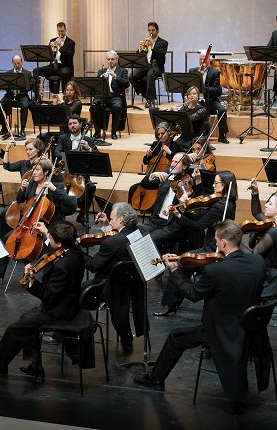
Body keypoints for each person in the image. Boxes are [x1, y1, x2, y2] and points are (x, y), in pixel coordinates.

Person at [135, 220, 265, 403]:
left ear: (223, 243)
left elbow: (193, 294)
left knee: (175, 337)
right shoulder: (258, 262)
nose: (216, 244)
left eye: (217, 240)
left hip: (221, 330)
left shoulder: (215, 271)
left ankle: (155, 379)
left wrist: (175, 270)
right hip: (251, 327)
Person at [0, 220, 84, 377]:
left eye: (51, 239)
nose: (49, 240)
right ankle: (35, 365)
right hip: (67, 304)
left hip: (59, 311)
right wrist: (47, 232)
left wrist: (32, 281)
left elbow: (49, 296)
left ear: (59, 243)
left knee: (15, 329)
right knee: (26, 319)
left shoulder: (64, 265)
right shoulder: (75, 251)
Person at [153, 170, 238, 317]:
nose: (213, 184)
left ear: (224, 185)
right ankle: (173, 302)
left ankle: (169, 304)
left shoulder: (220, 207)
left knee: (179, 264)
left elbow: (199, 225)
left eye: (216, 182)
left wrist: (179, 215)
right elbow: (205, 203)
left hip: (213, 249)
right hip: (211, 245)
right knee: (184, 262)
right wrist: (198, 185)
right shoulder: (227, 203)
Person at [0, 158, 77, 287]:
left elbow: (72, 204)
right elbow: (20, 200)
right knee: (8, 238)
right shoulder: (32, 184)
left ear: (46, 172)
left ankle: (47, 282)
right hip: (29, 224)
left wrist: (54, 190)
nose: (33, 173)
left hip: (49, 227)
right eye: (33, 169)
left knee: (48, 247)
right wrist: (22, 189)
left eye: (37, 170)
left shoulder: (55, 186)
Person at [85, 202, 146, 351]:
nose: (110, 220)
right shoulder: (142, 232)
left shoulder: (112, 242)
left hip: (111, 286)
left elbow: (94, 265)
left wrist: (76, 252)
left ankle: (77, 327)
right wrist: (107, 225)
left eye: (111, 218)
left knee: (79, 290)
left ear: (120, 220)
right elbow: (119, 240)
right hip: (135, 283)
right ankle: (126, 337)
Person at [137, 152, 192, 244]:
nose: (172, 164)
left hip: (171, 225)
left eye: (176, 162)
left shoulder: (188, 182)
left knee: (147, 240)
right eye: (172, 161)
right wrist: (153, 175)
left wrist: (184, 200)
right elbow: (145, 185)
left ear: (184, 167)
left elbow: (187, 208)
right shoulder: (167, 174)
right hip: (155, 220)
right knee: (134, 235)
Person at [54, 115, 97, 225]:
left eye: (74, 123)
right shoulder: (63, 138)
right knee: (58, 185)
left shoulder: (88, 140)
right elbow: (57, 152)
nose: (72, 125)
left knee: (91, 187)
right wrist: (68, 155)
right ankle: (60, 215)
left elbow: (98, 156)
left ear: (81, 124)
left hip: (81, 175)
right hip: (66, 173)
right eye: (70, 124)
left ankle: (83, 215)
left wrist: (88, 148)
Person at [248, 181, 277, 300]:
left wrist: (235, 239)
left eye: (269, 204)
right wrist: (255, 192)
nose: (266, 205)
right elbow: (257, 213)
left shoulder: (276, 231)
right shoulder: (275, 225)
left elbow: (254, 255)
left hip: (272, 281)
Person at [188, 52, 228, 143]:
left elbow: (218, 90)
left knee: (222, 110)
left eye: (204, 59)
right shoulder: (192, 71)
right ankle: (194, 135)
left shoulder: (215, 72)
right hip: (196, 101)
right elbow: (188, 88)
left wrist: (203, 88)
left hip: (210, 100)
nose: (202, 61)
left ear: (208, 61)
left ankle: (222, 135)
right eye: (200, 59)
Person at [90, 50, 130, 141]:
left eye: (112, 59)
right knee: (94, 106)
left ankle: (113, 131)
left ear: (116, 60)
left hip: (115, 96)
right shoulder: (101, 71)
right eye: (108, 59)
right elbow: (96, 86)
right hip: (102, 96)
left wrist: (115, 76)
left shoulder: (123, 71)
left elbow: (126, 84)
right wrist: (101, 78)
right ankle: (97, 132)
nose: (110, 61)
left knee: (117, 107)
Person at [32, 22, 75, 102]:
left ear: (65, 30)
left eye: (62, 31)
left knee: (65, 72)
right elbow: (48, 57)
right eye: (59, 31)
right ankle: (37, 96)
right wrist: (50, 51)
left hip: (64, 66)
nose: (60, 33)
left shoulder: (70, 43)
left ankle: (65, 97)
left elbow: (70, 56)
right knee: (36, 71)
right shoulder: (53, 40)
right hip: (53, 66)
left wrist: (61, 47)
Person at [0, 55, 35, 138]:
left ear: (22, 63)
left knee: (25, 106)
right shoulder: (8, 73)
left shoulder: (27, 73)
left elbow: (32, 84)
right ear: (12, 63)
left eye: (19, 63)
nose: (17, 65)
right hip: (10, 95)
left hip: (22, 95)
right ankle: (4, 128)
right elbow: (4, 86)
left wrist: (25, 86)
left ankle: (22, 129)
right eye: (15, 63)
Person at [130, 22, 168, 108]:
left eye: (153, 30)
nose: (151, 32)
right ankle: (147, 96)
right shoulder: (145, 42)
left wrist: (153, 45)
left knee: (149, 75)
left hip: (157, 66)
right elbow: (138, 56)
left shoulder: (163, 42)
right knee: (132, 76)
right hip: (145, 65)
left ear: (157, 31)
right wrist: (140, 48)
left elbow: (162, 54)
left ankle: (151, 100)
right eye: (149, 30)